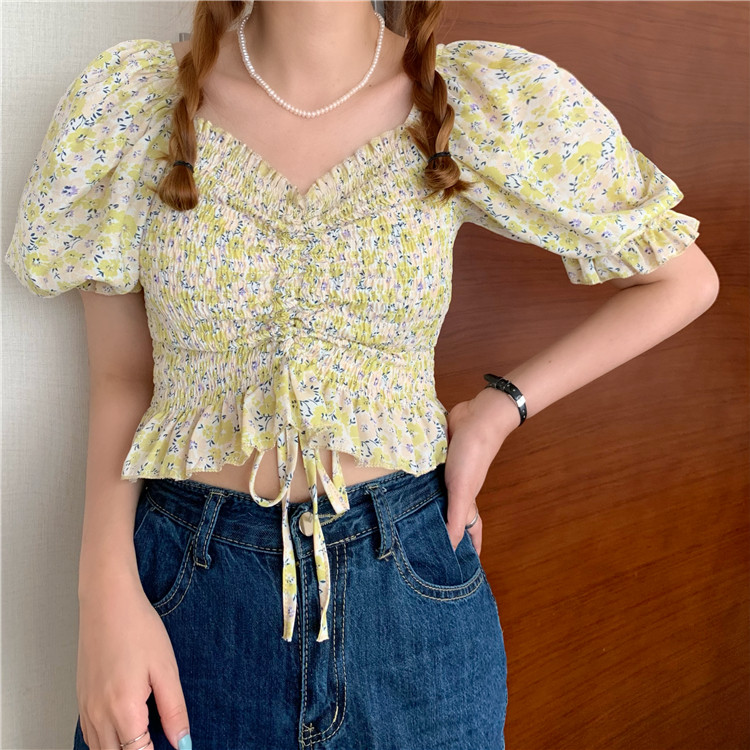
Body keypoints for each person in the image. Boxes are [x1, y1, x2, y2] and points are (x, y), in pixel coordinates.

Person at [4, 1, 718, 749]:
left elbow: (682, 281)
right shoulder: (134, 103)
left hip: (408, 605)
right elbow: (123, 378)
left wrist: (500, 408)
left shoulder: (470, 101)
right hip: (186, 597)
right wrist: (103, 595)